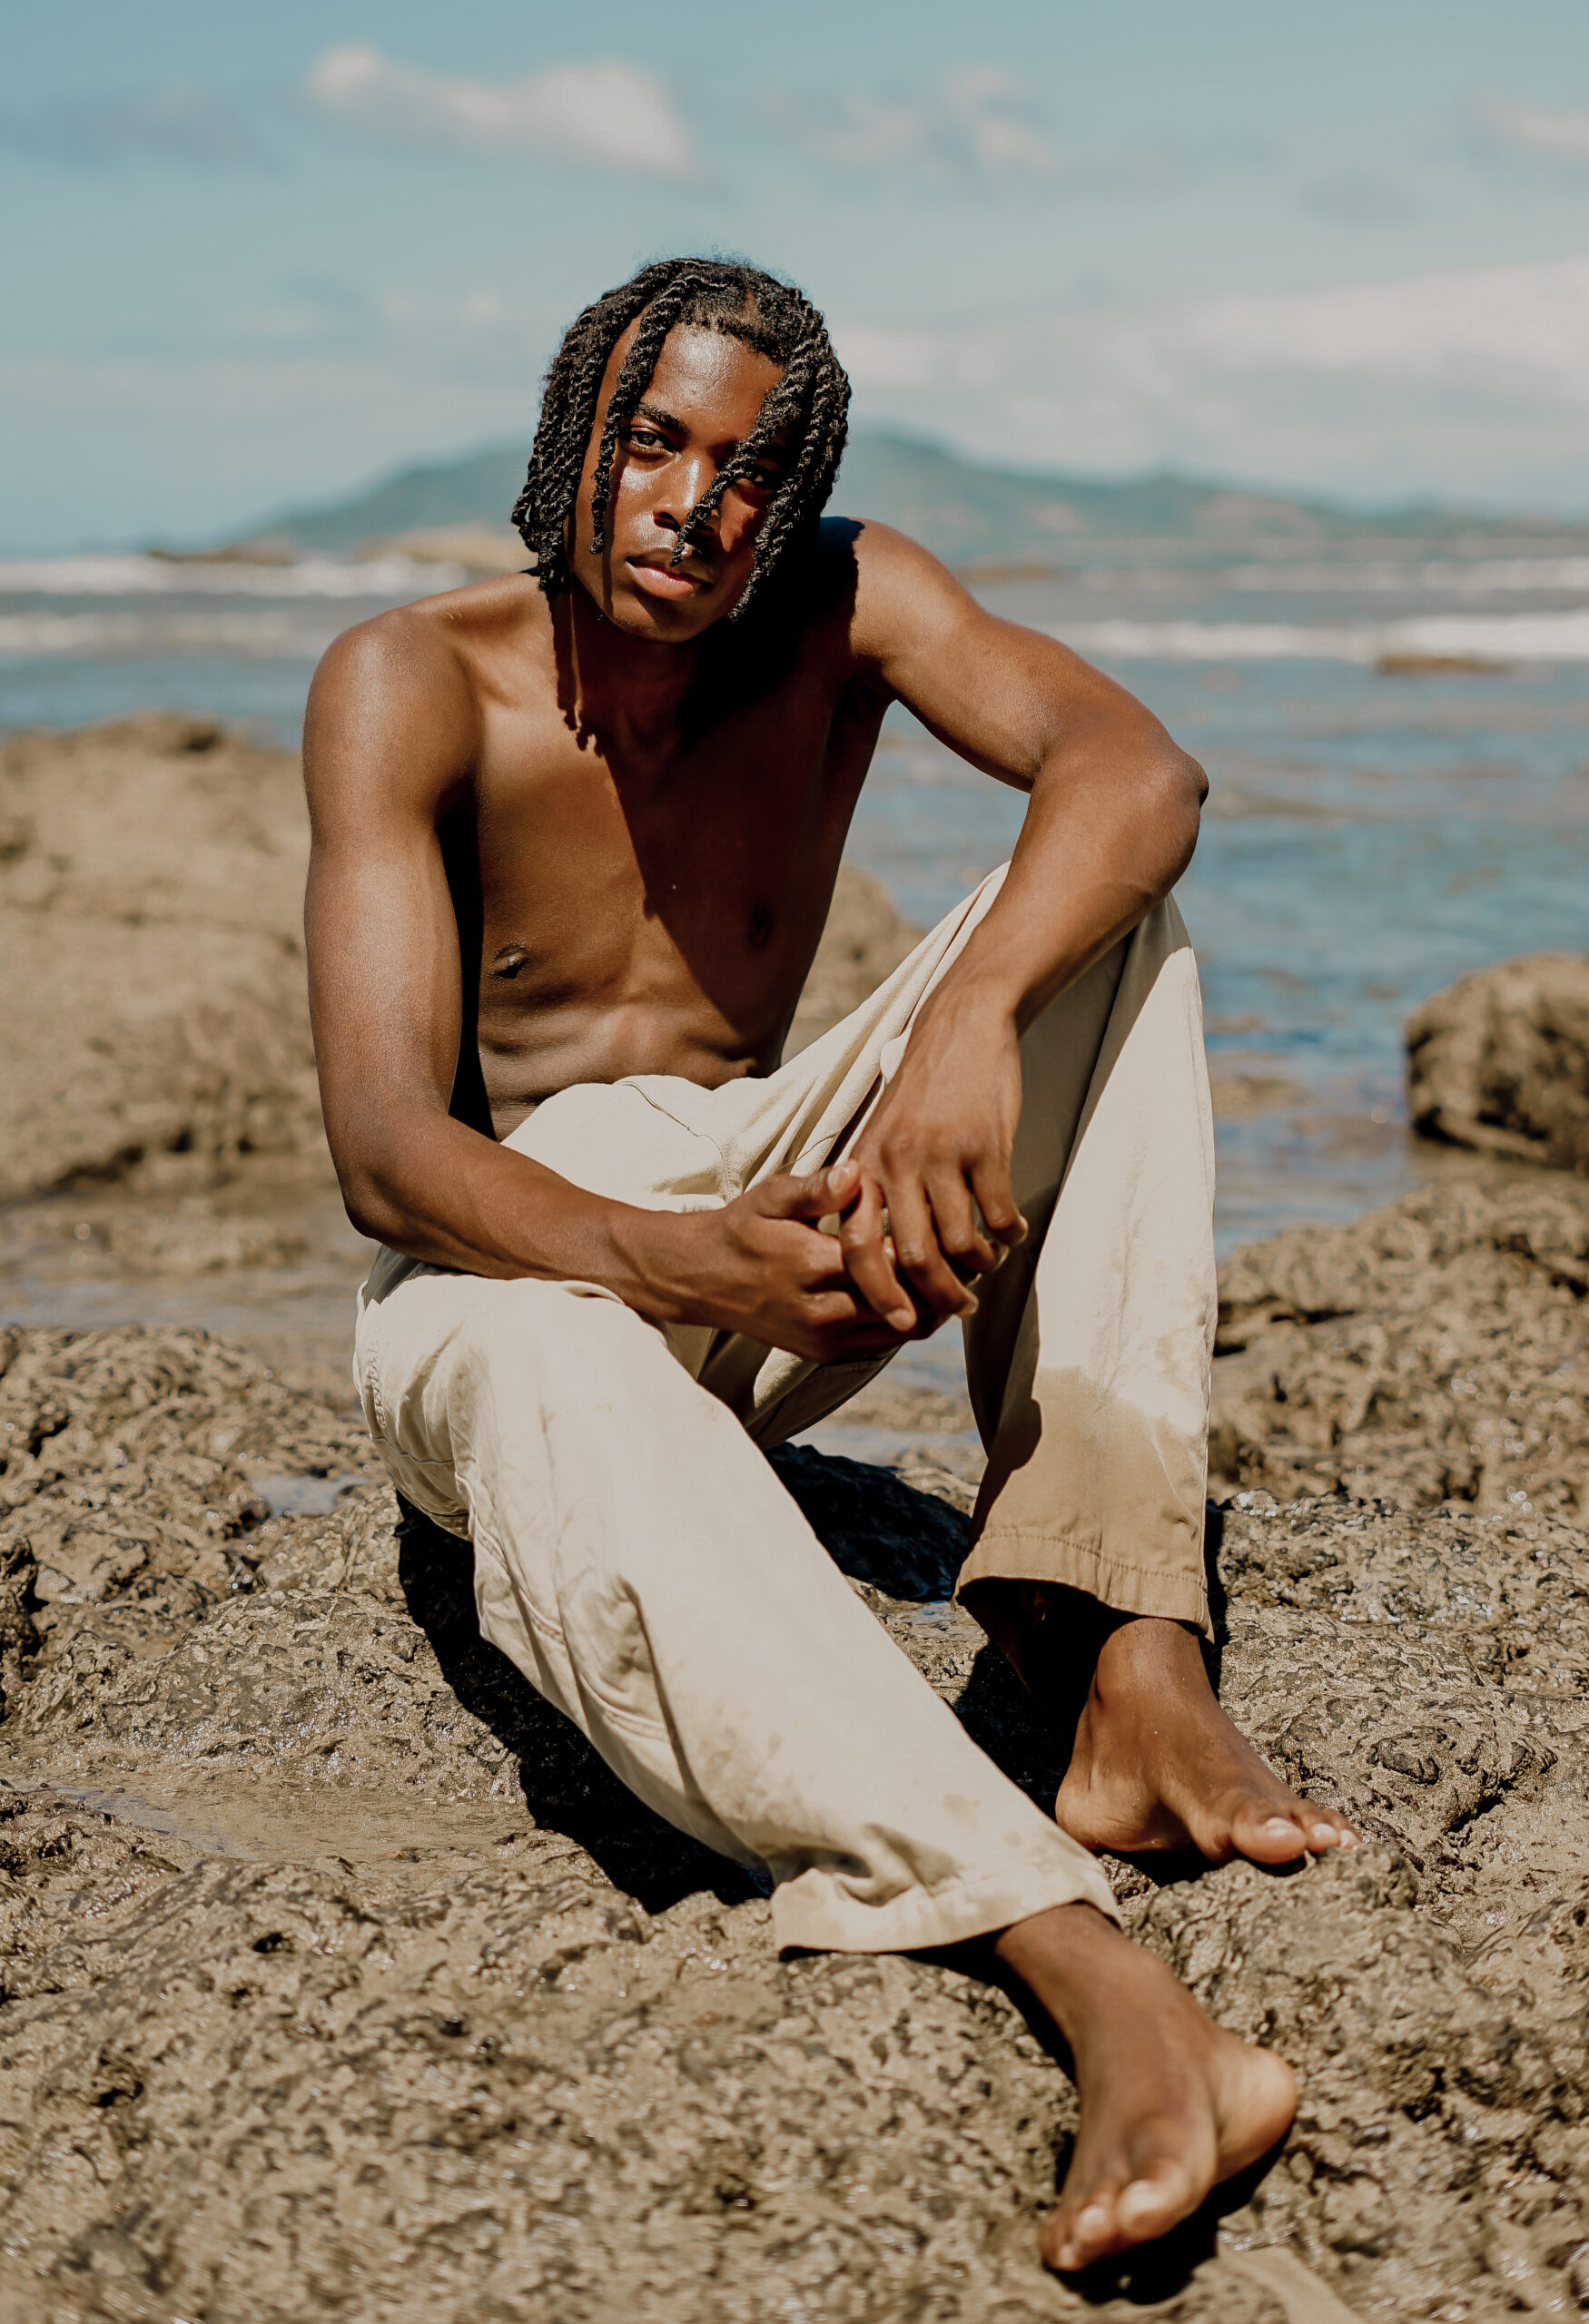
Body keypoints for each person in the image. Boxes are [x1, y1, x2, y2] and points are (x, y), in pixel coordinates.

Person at [303, 257, 1356, 2276]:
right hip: (512, 1258)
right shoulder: (406, 679)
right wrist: (663, 1258)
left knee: (1117, 922)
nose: (692, 506)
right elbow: (385, 1153)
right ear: (575, 436)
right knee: (548, 1361)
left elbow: (1137, 770)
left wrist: (964, 1022)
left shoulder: (847, 604)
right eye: (652, 444)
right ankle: (1075, 1958)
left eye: (746, 473)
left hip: (769, 1209)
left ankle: (1120, 1647)